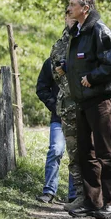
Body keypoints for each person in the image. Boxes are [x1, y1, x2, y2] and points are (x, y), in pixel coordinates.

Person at [64, 0, 111, 219]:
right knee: (86, 153)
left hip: (100, 101)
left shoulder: (99, 30)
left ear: (85, 8)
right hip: (82, 102)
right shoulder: (78, 32)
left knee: (106, 153)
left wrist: (93, 77)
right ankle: (92, 202)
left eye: (72, 5)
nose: (68, 8)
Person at [52, 10, 86, 211]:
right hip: (68, 106)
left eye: (75, 16)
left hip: (90, 105)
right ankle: (80, 196)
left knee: (95, 153)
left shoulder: (91, 39)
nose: (72, 20)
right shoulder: (59, 45)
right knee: (74, 156)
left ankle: (100, 196)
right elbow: (55, 75)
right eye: (69, 17)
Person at [35, 53, 75, 203]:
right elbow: (41, 88)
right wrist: (56, 107)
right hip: (58, 117)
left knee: (75, 154)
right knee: (56, 150)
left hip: (79, 116)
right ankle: (49, 191)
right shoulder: (51, 62)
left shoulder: (81, 59)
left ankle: (74, 194)